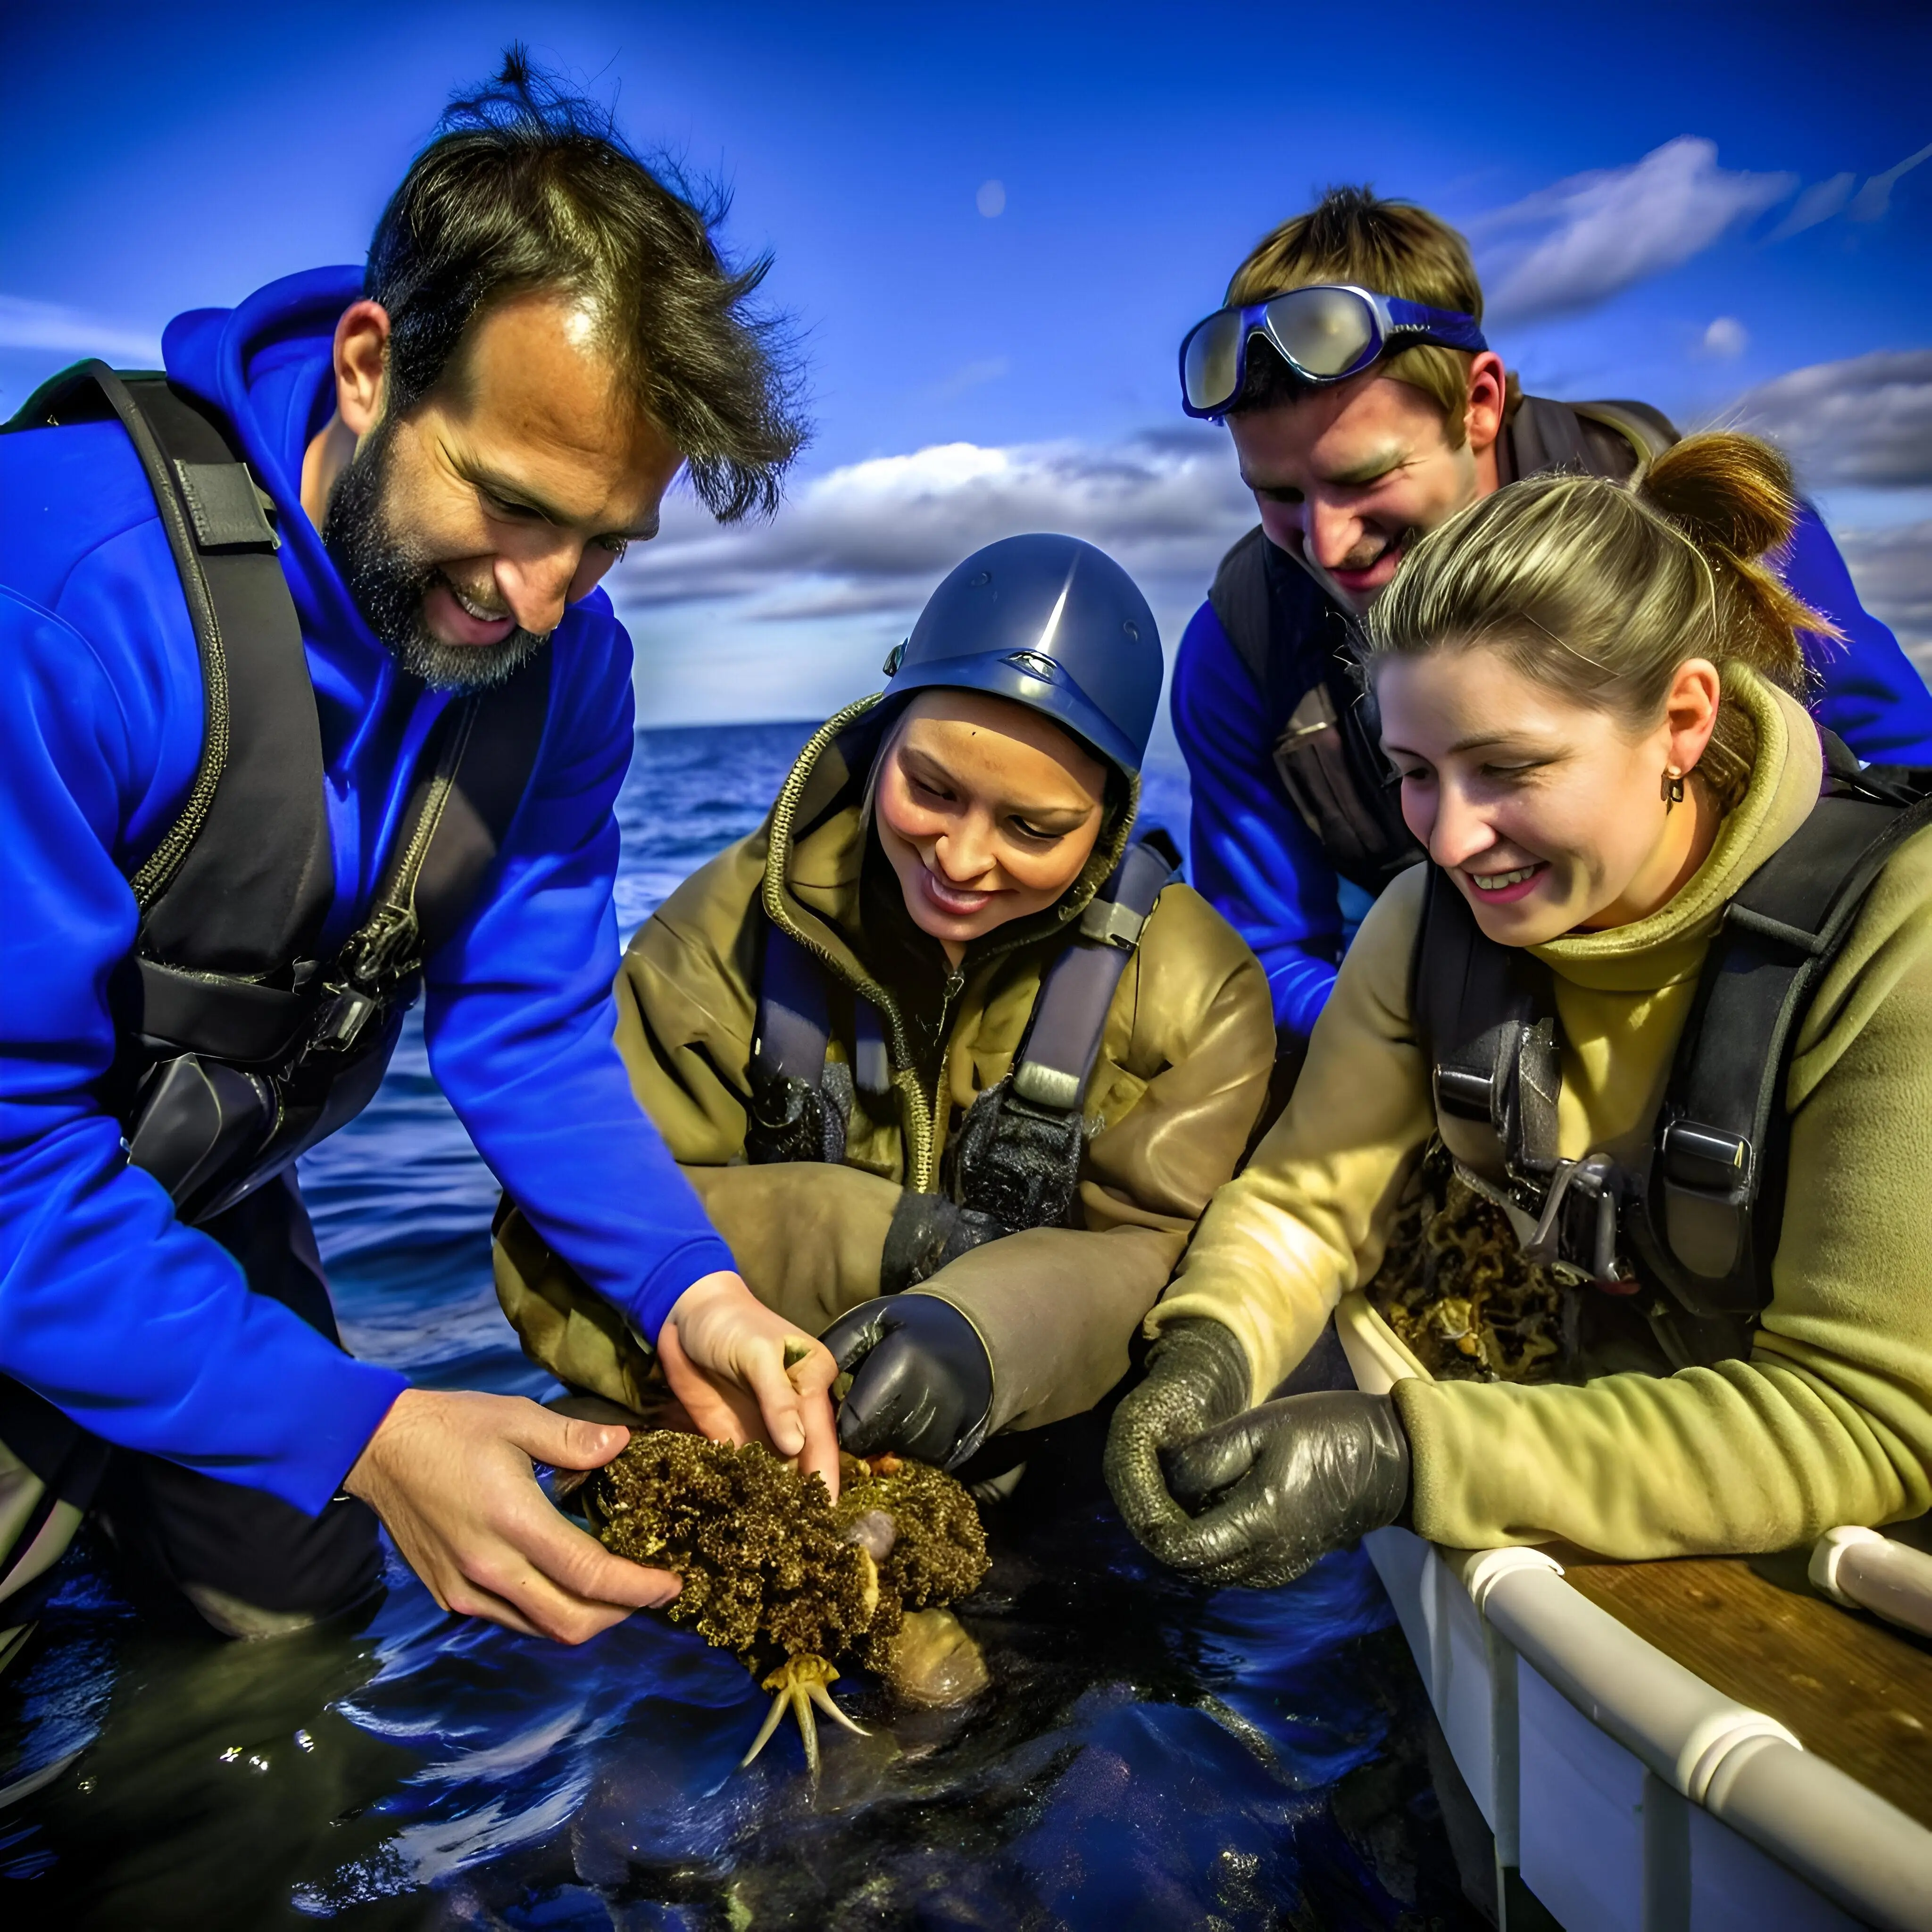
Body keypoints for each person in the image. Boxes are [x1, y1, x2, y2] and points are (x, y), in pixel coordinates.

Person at [0, 55, 841, 1660]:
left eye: (604, 540)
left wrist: (694, 1292)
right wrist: (375, 1431)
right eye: (514, 505)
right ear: (373, 367)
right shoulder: (48, 599)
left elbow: (525, 1034)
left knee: (299, 1616)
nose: (540, 596)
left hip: (193, 1195)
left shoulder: (570, 672)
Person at [1106, 431, 1932, 1587]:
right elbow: (1303, 1207)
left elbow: (1864, 1416)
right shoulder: (1422, 920)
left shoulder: (1898, 932)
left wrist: (1401, 1454)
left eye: (1506, 768)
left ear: (1681, 721)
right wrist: (1203, 1349)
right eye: (1414, 771)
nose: (1446, 838)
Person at [494, 534, 1276, 1475]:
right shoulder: (722, 930)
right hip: (739, 1420)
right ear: (881, 733)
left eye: (1033, 828)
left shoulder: (1200, 993)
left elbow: (1164, 1262)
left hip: (1037, 1452)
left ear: (1108, 819)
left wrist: (974, 1333)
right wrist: (896, 1249)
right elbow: (552, 1226)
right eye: (930, 788)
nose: (959, 858)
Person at [1172, 186, 1932, 1067]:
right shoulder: (1239, 644)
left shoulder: (1706, 520)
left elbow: (1903, 786)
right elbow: (1264, 952)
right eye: (1278, 495)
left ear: (1480, 402)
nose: (1329, 543)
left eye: (1366, 477)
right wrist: (1465, 1030)